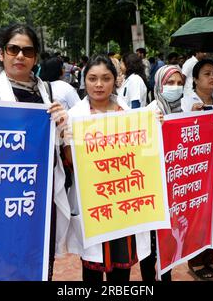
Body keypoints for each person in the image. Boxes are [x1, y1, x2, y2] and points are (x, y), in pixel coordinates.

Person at [0, 24, 69, 281]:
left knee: (39, 252)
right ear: (2, 53)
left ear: (35, 57)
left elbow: (54, 141)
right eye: (13, 49)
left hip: (41, 190)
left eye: (27, 51)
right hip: (1, 192)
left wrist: (60, 127)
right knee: (3, 256)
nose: (20, 56)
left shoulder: (46, 91)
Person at [64, 55, 151, 282]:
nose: (99, 84)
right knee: (92, 268)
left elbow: (143, 154)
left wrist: (154, 129)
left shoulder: (129, 115)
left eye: (106, 78)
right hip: (93, 204)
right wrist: (69, 141)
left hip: (124, 202)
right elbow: (69, 162)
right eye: (92, 78)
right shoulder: (73, 116)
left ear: (115, 81)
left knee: (121, 269)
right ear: (85, 81)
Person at [181, 59, 213, 280]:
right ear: (195, 79)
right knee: (199, 216)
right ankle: (196, 261)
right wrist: (190, 116)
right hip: (198, 169)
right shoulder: (185, 103)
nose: (212, 77)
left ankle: (211, 258)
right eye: (206, 74)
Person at [141, 65, 185, 282]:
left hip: (174, 187)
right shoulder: (150, 110)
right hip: (154, 188)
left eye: (179, 83)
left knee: (169, 239)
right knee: (151, 244)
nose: (175, 88)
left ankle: (166, 276)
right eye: (169, 83)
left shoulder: (182, 109)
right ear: (159, 84)